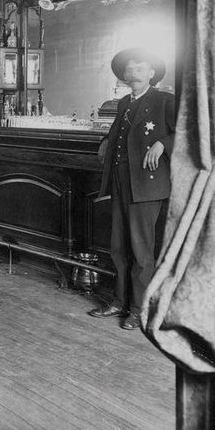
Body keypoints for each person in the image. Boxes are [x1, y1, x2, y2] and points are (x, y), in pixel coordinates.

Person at [89, 47, 175, 331]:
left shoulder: (164, 100)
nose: (133, 72)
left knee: (141, 251)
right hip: (121, 180)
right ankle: (119, 301)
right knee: (118, 247)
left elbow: (189, 133)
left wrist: (164, 143)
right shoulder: (124, 102)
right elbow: (122, 134)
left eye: (140, 67)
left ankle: (139, 310)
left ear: (151, 73)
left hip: (147, 185)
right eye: (130, 69)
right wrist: (106, 139)